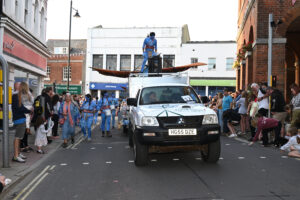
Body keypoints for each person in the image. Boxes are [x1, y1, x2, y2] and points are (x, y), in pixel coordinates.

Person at [12, 82, 31, 163]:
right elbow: (20, 108)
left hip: (20, 119)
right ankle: (16, 156)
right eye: (20, 85)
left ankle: (18, 153)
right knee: (17, 137)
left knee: (19, 137)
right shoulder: (15, 96)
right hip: (19, 119)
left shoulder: (17, 96)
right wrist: (29, 110)